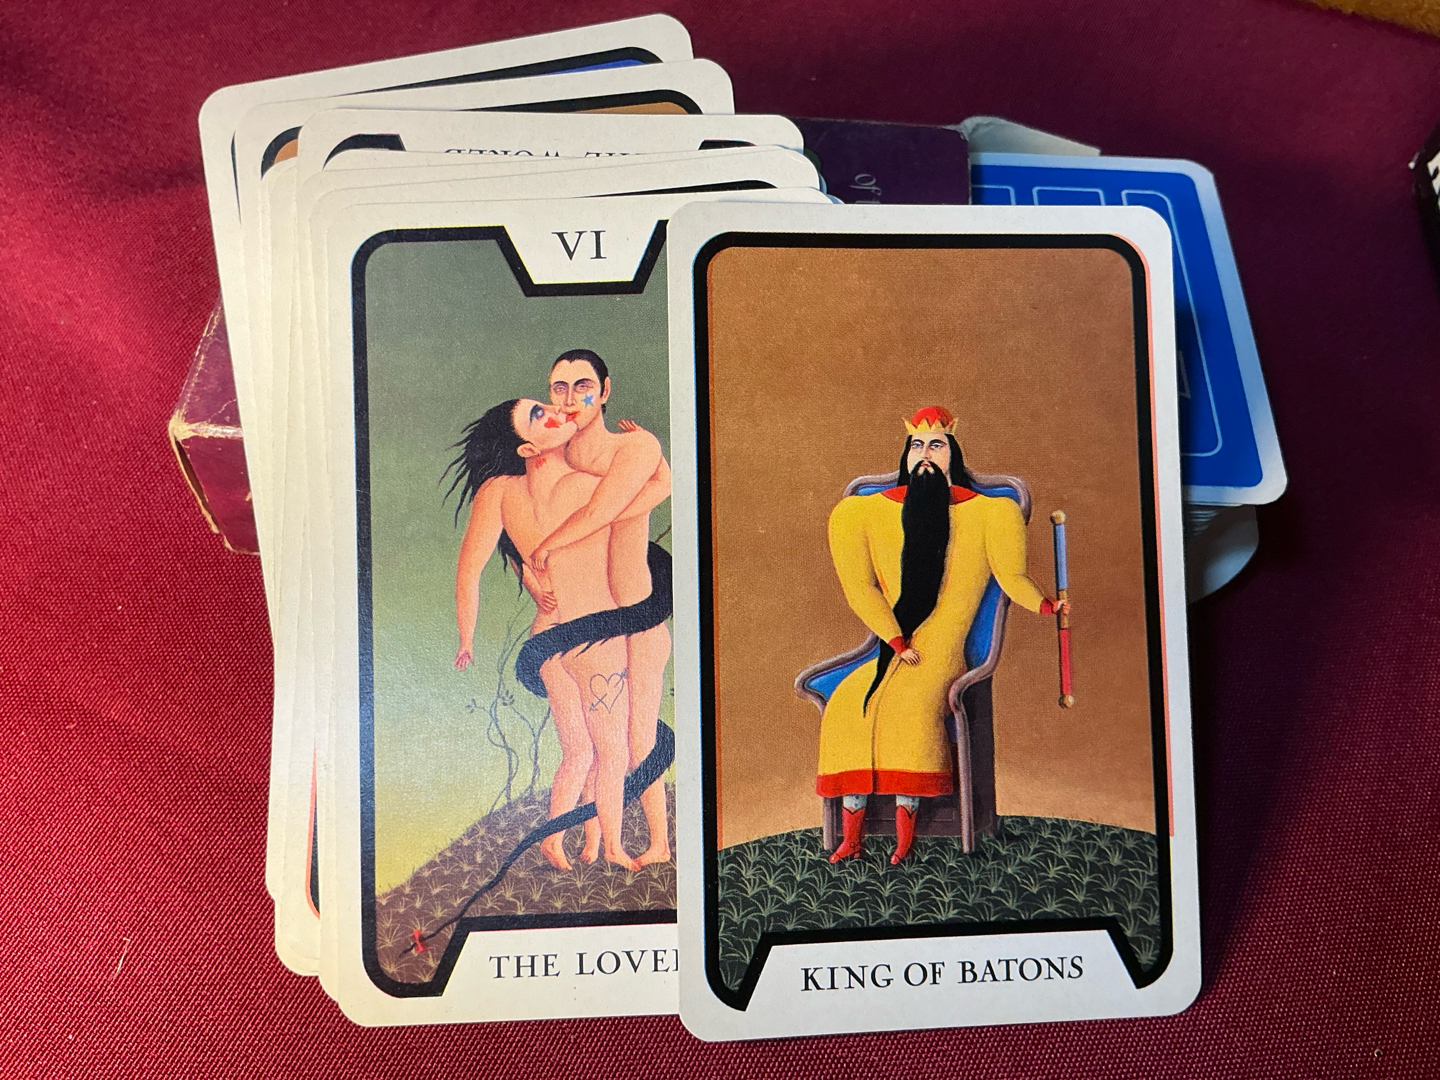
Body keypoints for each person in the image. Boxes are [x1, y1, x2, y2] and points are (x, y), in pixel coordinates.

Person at [816, 406, 1070, 865]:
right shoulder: (860, 512)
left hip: (942, 654)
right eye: (917, 445)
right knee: (848, 706)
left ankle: (905, 840)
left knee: (909, 713)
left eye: (936, 445)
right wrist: (896, 641)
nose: (925, 454)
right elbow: (860, 589)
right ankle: (852, 839)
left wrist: (1047, 605)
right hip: (893, 647)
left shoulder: (992, 513)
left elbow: (1012, 577)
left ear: (953, 451)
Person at [447, 399, 665, 872]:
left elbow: (470, 569)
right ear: (527, 448)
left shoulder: (502, 491)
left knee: (581, 749)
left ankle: (568, 841)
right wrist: (655, 460)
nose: (555, 411)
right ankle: (611, 848)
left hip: (551, 634)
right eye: (538, 415)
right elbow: (645, 500)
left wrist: (468, 638)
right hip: (591, 632)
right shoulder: (581, 486)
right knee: (611, 747)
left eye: (543, 404)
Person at [530, 350, 673, 867]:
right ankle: (594, 842)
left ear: (605, 390)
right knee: (595, 742)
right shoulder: (552, 459)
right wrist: (533, 570)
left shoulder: (635, 446)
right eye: (560, 387)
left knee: (640, 737)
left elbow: (603, 511)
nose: (571, 398)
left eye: (583, 385)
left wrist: (549, 544)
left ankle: (658, 843)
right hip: (588, 620)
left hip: (637, 613)